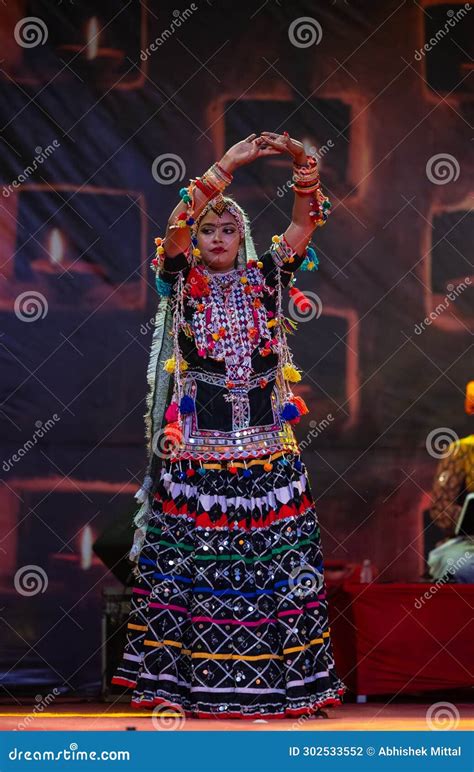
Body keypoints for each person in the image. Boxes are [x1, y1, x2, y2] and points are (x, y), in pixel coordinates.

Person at [112, 132, 346, 719]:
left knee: (279, 572)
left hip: (270, 453)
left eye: (228, 230)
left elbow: (302, 228)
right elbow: (174, 229)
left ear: (242, 237)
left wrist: (303, 167)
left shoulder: (268, 280)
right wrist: (228, 165)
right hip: (198, 458)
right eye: (210, 230)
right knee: (194, 574)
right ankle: (181, 691)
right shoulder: (181, 282)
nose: (215, 239)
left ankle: (289, 690)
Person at [428, 380, 474, 583]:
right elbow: (440, 508)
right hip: (469, 543)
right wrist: (465, 517)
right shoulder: (461, 450)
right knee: (462, 566)